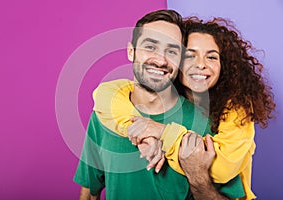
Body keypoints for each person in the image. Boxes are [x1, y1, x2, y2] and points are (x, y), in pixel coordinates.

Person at [92, 16, 276, 199]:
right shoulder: (161, 96)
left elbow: (220, 169)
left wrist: (162, 132)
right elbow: (105, 94)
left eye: (211, 56)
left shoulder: (236, 108)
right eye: (190, 55)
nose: (201, 64)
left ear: (224, 66)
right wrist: (143, 134)